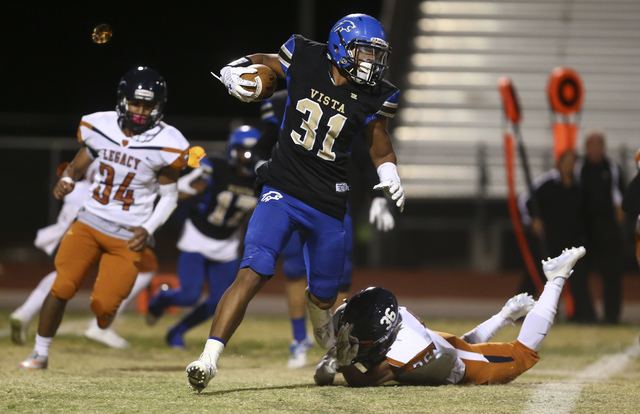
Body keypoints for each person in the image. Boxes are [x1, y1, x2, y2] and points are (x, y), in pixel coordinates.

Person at [186, 13, 404, 391]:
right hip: (282, 190)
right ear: (340, 48)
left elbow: (380, 146)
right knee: (252, 270)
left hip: (329, 205)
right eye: (364, 52)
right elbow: (267, 61)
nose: (370, 61)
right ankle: (208, 357)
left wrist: (390, 176)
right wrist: (234, 67)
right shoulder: (305, 55)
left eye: (375, 54)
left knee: (324, 301)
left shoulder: (376, 93)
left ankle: (332, 355)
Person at [18, 66, 192, 369]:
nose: (140, 112)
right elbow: (82, 160)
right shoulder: (99, 125)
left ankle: (99, 323)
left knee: (104, 305)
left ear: (158, 107)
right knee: (62, 286)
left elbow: (169, 197)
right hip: (88, 221)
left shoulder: (169, 143)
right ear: (123, 101)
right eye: (136, 104)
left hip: (127, 233)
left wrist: (148, 227)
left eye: (148, 106)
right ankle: (39, 353)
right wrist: (70, 179)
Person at [256, 90, 395, 369]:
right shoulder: (284, 100)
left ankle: (336, 345)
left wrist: (378, 197)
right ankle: (299, 341)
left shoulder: (343, 105)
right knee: (295, 271)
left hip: (331, 204)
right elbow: (263, 147)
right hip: (291, 200)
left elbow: (361, 153)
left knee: (340, 278)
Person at [313, 246, 586, 387]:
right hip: (444, 348)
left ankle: (555, 278)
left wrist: (341, 361)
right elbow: (461, 343)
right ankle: (505, 316)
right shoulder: (370, 318)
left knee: (523, 353)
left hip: (462, 368)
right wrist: (333, 358)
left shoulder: (409, 346)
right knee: (461, 347)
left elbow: (364, 381)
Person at [10, 160, 157, 349]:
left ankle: (24, 312)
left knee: (65, 273)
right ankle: (102, 323)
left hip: (82, 201)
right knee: (144, 266)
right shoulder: (116, 145)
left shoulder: (103, 145)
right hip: (100, 210)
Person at [145, 125, 260, 348]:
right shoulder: (216, 165)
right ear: (232, 150)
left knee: (219, 302)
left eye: (253, 153)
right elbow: (191, 186)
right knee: (189, 295)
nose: (248, 158)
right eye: (244, 152)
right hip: (198, 236)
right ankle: (162, 298)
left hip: (226, 243)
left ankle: (177, 331)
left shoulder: (261, 179)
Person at [518, 150, 594, 323]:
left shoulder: (580, 188)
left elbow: (586, 215)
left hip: (571, 243)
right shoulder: (546, 183)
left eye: (573, 162)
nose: (570, 166)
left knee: (578, 280)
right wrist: (532, 221)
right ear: (559, 163)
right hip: (548, 241)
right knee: (534, 277)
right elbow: (524, 200)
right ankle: (518, 312)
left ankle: (584, 316)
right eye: (567, 162)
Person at [574, 129, 626, 324]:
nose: (595, 149)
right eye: (592, 144)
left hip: (607, 228)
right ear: (586, 147)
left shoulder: (612, 168)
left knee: (612, 273)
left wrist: (618, 223)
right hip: (584, 228)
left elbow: (619, 198)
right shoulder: (579, 167)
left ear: (603, 147)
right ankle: (584, 313)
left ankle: (612, 315)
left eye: (599, 144)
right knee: (578, 272)